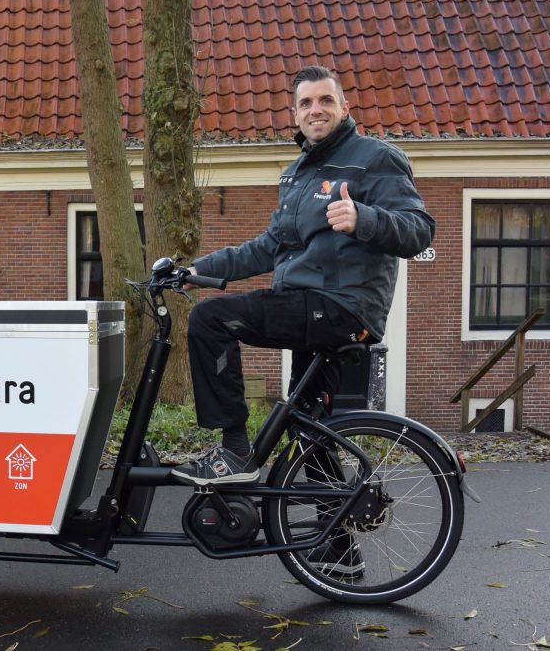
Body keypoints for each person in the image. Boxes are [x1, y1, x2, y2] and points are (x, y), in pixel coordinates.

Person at [172, 65, 435, 489]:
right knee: (307, 427)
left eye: (326, 100)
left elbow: (419, 230)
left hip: (339, 306)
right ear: (295, 114)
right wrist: (199, 270)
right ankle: (337, 527)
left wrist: (363, 218)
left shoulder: (374, 158)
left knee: (210, 319)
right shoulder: (298, 173)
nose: (316, 110)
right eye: (306, 103)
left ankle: (234, 450)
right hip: (307, 309)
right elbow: (269, 247)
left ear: (344, 108)